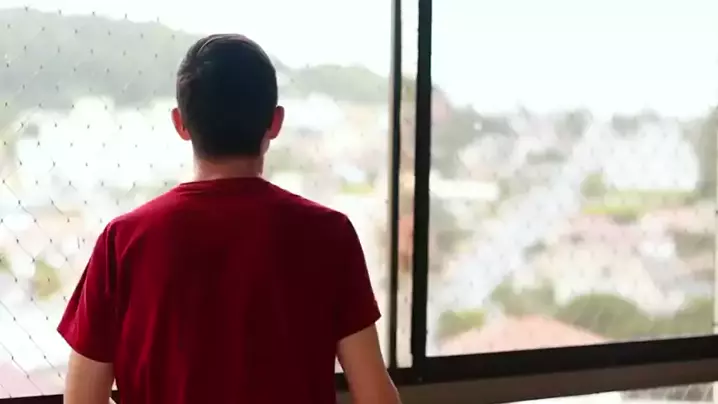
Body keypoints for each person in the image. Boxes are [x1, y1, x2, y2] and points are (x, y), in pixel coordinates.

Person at [58, 33, 401, 404]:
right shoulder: (330, 235)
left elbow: (81, 399)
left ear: (180, 124)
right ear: (275, 122)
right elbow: (375, 396)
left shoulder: (123, 242)